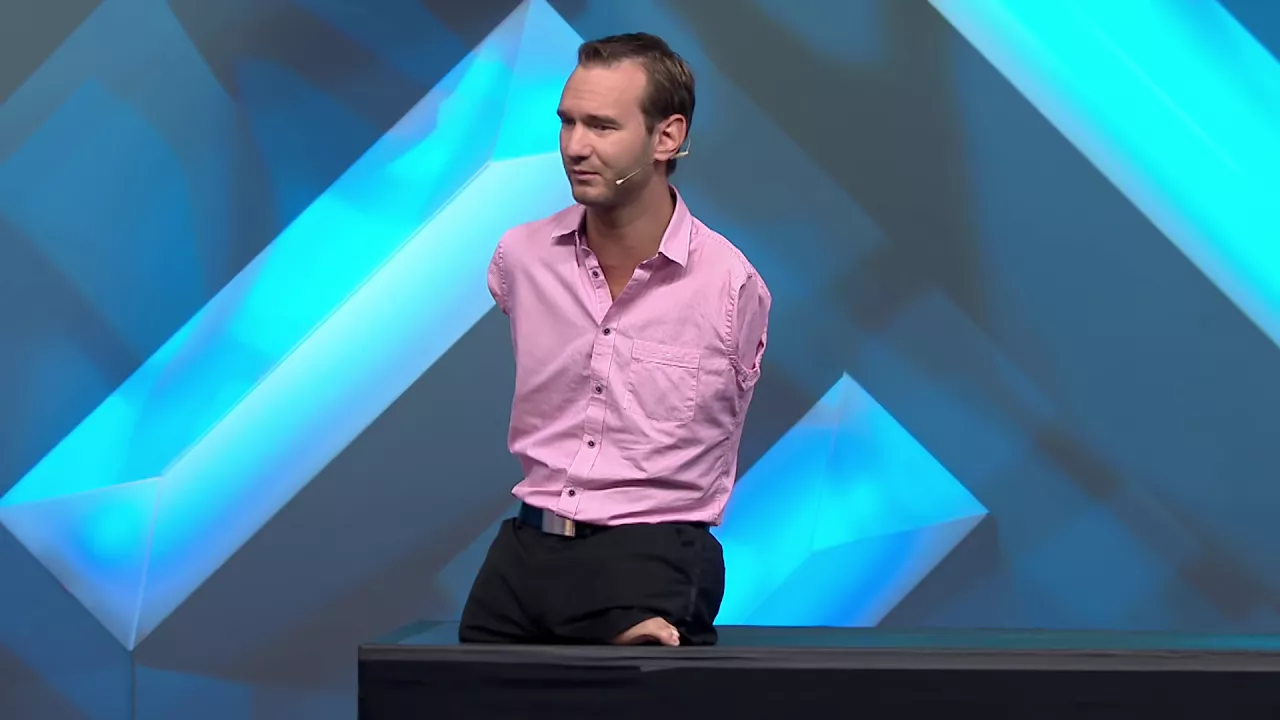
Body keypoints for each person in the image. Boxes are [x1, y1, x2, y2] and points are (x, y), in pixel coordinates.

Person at [458, 32, 770, 648]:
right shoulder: (521, 257)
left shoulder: (729, 286)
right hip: (524, 552)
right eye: (567, 122)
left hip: (650, 555)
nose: (575, 146)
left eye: (601, 126)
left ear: (667, 137)